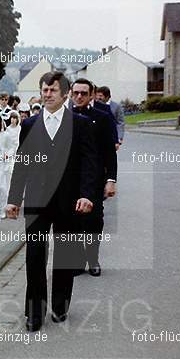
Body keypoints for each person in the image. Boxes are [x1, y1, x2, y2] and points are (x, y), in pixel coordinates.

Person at [6, 71, 97, 331]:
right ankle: (35, 311)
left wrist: (87, 194)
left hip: (69, 201)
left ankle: (60, 305)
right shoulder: (30, 125)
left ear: (65, 93)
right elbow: (21, 164)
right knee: (35, 255)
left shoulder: (80, 124)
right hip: (36, 201)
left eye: (53, 90)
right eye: (44, 90)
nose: (47, 94)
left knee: (65, 254)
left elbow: (90, 164)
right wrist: (14, 199)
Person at [70, 78, 118, 277]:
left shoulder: (103, 117)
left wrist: (111, 180)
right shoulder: (65, 117)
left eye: (84, 93)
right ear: (71, 95)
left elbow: (109, 152)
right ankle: (78, 260)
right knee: (73, 222)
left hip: (95, 179)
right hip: (70, 179)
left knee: (94, 220)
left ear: (91, 95)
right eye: (76, 93)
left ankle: (92, 258)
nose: (79, 96)